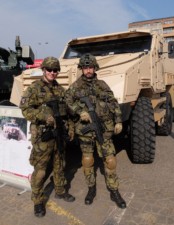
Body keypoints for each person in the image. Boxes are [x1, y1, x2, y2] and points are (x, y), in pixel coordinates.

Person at [65, 53, 126, 209]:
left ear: (94, 68)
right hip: (85, 132)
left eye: (90, 67)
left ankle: (114, 190)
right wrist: (80, 111)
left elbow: (113, 103)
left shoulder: (103, 85)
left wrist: (118, 120)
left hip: (103, 129)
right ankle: (91, 189)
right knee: (87, 160)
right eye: (85, 67)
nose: (88, 70)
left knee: (110, 160)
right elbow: (67, 101)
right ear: (81, 69)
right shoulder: (76, 86)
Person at [19, 56, 75, 218]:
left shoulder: (60, 90)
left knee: (60, 164)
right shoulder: (34, 89)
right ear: (43, 70)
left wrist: (70, 127)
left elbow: (68, 113)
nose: (52, 73)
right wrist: (43, 116)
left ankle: (59, 191)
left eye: (55, 70)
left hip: (58, 135)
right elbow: (25, 109)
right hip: (43, 135)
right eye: (49, 69)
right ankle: (37, 200)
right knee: (41, 170)